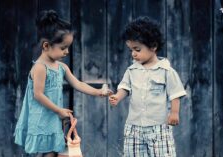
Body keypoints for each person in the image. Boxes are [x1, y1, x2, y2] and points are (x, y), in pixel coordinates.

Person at [14, 10, 111, 157]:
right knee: (45, 151)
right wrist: (58, 111)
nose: (66, 52)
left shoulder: (61, 67)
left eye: (68, 47)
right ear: (46, 46)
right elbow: (38, 95)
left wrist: (98, 92)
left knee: (54, 150)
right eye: (63, 48)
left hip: (53, 117)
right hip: (41, 117)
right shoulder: (40, 67)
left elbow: (78, 84)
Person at [109, 16, 187, 157]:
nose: (133, 54)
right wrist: (117, 97)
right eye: (131, 50)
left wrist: (174, 113)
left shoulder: (166, 71)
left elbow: (175, 93)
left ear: (153, 46)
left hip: (158, 128)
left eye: (137, 49)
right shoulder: (132, 70)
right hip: (134, 127)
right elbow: (125, 87)